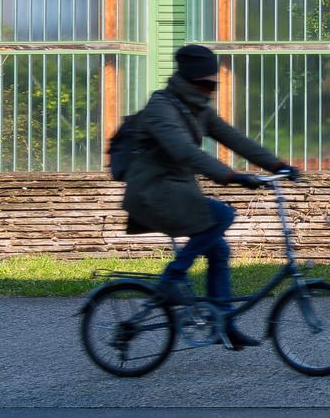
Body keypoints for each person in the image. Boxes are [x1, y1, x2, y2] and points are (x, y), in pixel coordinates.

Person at [121, 43, 298, 350]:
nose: (210, 90)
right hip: (152, 192)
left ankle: (225, 323)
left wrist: (277, 165)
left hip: (177, 190)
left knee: (218, 251)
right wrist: (229, 175)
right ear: (189, 80)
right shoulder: (161, 108)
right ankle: (172, 277)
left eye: (213, 84)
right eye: (205, 84)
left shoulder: (198, 110)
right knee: (223, 215)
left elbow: (234, 139)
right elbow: (183, 150)